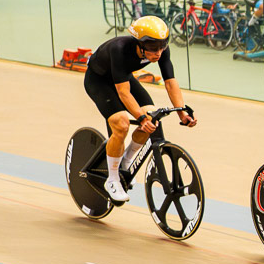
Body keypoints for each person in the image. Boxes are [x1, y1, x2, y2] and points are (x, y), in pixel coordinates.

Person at [83, 15, 197, 204]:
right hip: (99, 81)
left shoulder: (160, 50)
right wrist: (140, 117)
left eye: (162, 45)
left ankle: (125, 162)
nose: (158, 52)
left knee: (153, 118)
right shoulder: (119, 49)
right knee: (121, 124)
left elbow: (170, 82)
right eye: (153, 48)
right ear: (139, 44)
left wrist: (182, 111)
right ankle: (112, 179)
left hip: (123, 77)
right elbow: (123, 92)